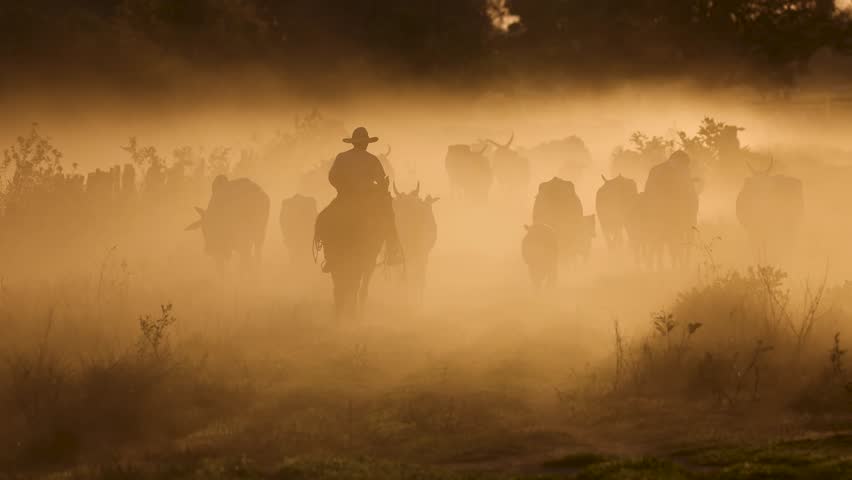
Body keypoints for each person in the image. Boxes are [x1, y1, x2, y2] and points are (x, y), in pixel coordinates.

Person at [318, 127, 403, 271]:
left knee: (325, 219)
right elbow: (382, 182)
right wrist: (378, 188)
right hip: (368, 200)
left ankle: (330, 257)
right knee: (389, 216)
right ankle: (392, 251)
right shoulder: (372, 159)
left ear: (353, 143)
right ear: (366, 143)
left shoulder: (341, 157)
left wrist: (342, 187)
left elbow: (332, 177)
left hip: (344, 198)